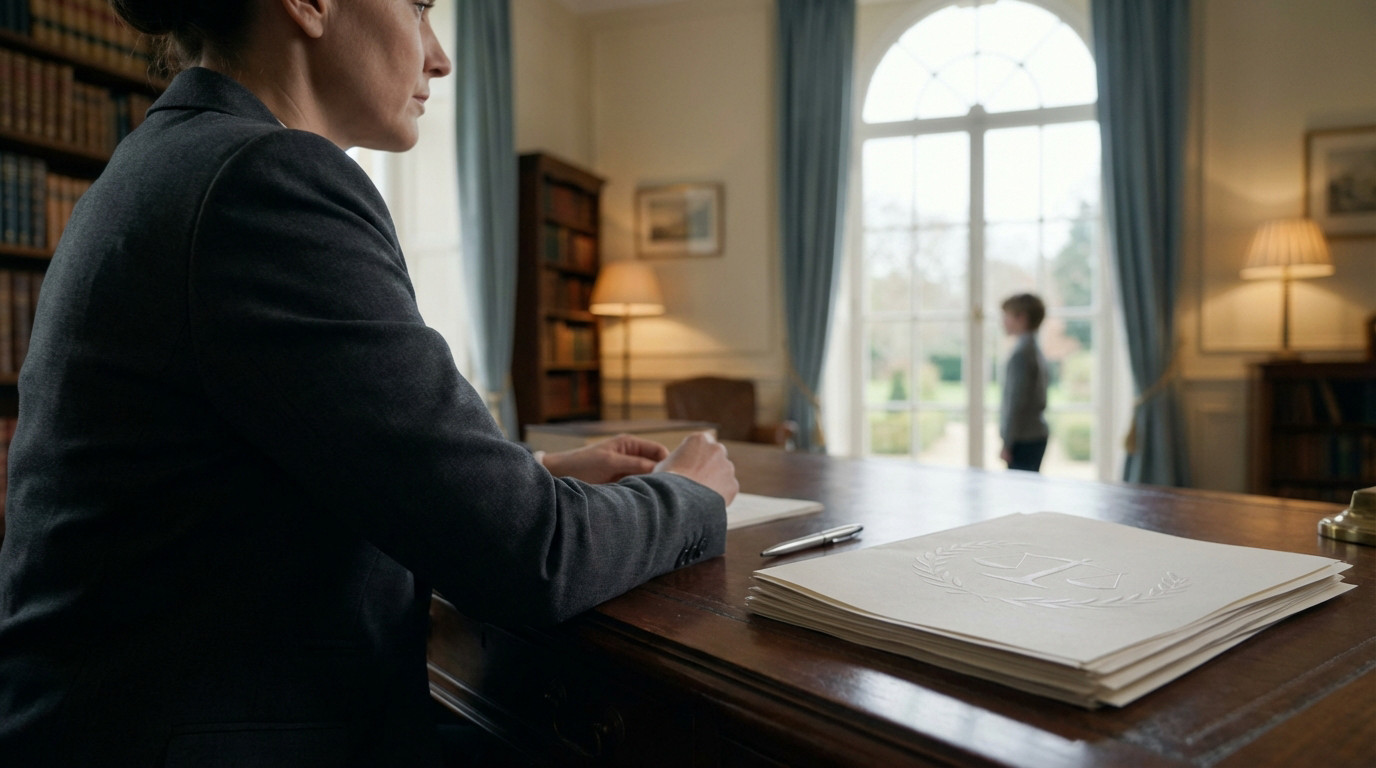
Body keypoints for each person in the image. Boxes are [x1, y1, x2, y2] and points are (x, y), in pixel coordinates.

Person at [0, 1, 737, 765]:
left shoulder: (166, 160)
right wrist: (691, 493)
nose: (440, 56)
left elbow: (268, 468)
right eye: (418, 6)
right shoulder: (267, 177)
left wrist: (534, 470)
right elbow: (530, 558)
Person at [998, 293, 1050, 473]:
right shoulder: (1034, 349)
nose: (1003, 322)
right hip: (1035, 434)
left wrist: (1007, 442)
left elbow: (1016, 402)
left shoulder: (1021, 354)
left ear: (1022, 318)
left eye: (1007, 316)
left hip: (1024, 438)